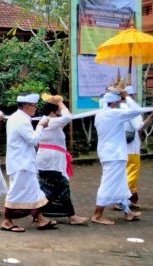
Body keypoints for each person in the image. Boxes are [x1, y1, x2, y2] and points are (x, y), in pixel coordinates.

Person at [1, 93, 55, 233]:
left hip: (22, 161)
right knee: (16, 191)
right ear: (26, 106)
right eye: (33, 106)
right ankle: (6, 221)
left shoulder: (17, 117)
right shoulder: (21, 120)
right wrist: (41, 126)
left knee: (34, 191)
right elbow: (33, 140)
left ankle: (41, 219)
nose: (35, 109)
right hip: (21, 162)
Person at [36, 95, 89, 225]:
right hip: (51, 161)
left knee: (48, 188)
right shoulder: (49, 121)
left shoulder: (51, 121)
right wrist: (60, 102)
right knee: (61, 186)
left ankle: (39, 214)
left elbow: (65, 119)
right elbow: (67, 117)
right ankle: (71, 216)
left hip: (50, 159)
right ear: (54, 110)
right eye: (59, 108)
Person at [92, 90, 143, 225]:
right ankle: (97, 215)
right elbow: (138, 110)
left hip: (112, 154)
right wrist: (126, 96)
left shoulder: (100, 113)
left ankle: (128, 211)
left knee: (122, 184)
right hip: (113, 154)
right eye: (119, 102)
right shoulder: (113, 113)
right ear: (114, 103)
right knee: (107, 184)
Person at [121, 86, 145, 209]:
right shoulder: (132, 110)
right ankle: (120, 197)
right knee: (132, 173)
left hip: (121, 146)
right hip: (132, 147)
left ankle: (131, 198)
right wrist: (149, 120)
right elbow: (139, 127)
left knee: (127, 173)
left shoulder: (118, 108)